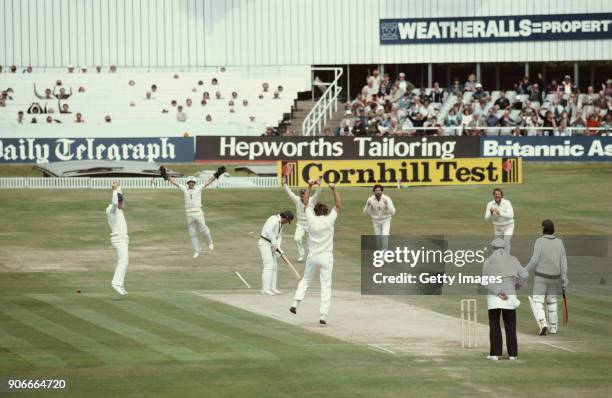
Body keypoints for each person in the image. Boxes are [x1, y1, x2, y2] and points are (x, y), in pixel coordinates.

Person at [290, 179, 341, 325]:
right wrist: (333, 189)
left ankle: (295, 303)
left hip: (312, 256)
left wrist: (310, 186)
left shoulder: (310, 219)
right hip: (326, 257)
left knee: (305, 280)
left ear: (315, 211)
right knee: (326, 285)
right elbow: (338, 205)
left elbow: (306, 203)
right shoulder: (329, 220)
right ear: (326, 211)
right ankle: (323, 315)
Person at [520, 220, 568, 336]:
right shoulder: (559, 242)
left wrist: (525, 270)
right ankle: (553, 327)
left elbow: (534, 260)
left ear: (543, 229)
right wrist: (564, 277)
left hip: (541, 276)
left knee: (537, 301)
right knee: (552, 302)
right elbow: (563, 261)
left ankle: (543, 324)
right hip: (555, 277)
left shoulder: (539, 241)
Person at [482, 238, 523, 360]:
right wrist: (518, 285)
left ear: (493, 248)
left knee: (494, 324)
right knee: (510, 325)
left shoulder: (488, 261)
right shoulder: (513, 259)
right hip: (510, 295)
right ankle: (513, 354)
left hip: (494, 297)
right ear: (504, 248)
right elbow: (525, 274)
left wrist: (498, 292)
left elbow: (485, 282)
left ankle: (495, 354)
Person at [169, 175, 217, 258]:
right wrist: (166, 176)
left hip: (198, 212)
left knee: (203, 229)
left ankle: (210, 243)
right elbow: (175, 183)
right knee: (192, 233)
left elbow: (208, 182)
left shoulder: (199, 188)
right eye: (190, 182)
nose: (191, 183)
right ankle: (197, 250)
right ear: (187, 183)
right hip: (188, 214)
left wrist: (216, 175)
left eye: (192, 182)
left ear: (195, 183)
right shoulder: (184, 188)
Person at [282, 176, 321, 262]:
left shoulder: (312, 200)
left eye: (304, 195)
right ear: (300, 195)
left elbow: (317, 194)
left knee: (311, 243)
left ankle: (311, 257)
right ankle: (301, 255)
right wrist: (284, 184)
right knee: (297, 238)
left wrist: (319, 186)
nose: (303, 197)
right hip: (300, 224)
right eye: (301, 195)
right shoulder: (297, 200)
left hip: (310, 224)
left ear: (307, 194)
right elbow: (290, 193)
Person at [259, 210, 294, 295]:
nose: (287, 223)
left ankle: (272, 288)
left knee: (274, 266)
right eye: (287, 221)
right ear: (285, 218)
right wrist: (274, 242)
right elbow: (268, 231)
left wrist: (278, 248)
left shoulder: (281, 224)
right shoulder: (273, 219)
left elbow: (279, 237)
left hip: (271, 245)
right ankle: (265, 289)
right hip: (264, 243)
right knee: (268, 265)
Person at [106, 182, 129, 295]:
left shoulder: (117, 209)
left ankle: (120, 284)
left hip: (122, 240)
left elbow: (119, 197)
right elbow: (115, 202)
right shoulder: (113, 210)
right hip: (118, 240)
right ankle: (116, 283)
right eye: (121, 201)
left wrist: (118, 187)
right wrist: (114, 190)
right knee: (123, 261)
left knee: (124, 261)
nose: (122, 203)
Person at [363, 184, 395, 249]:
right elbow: (366, 213)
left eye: (379, 190)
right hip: (375, 221)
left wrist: (387, 206)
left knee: (384, 236)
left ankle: (384, 254)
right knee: (378, 239)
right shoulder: (370, 200)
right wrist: (368, 206)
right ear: (374, 191)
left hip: (386, 220)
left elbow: (393, 212)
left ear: (382, 191)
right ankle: (380, 252)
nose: (378, 192)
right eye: (376, 190)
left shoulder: (387, 199)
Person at [484, 188, 514, 253]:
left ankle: (506, 257)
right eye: (495, 194)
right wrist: (491, 213)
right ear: (493, 195)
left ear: (501, 195)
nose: (497, 195)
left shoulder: (507, 203)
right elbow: (486, 218)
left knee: (506, 241)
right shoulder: (490, 204)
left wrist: (499, 213)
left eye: (499, 194)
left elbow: (511, 215)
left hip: (508, 226)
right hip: (497, 228)